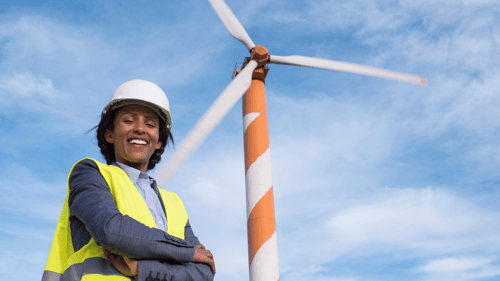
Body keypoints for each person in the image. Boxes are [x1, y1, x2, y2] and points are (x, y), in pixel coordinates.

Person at [42, 79, 215, 281]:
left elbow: (203, 273)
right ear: (109, 134)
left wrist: (142, 269)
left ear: (159, 142)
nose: (140, 129)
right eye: (129, 121)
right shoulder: (90, 173)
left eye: (150, 124)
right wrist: (186, 251)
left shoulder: (174, 203)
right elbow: (111, 230)